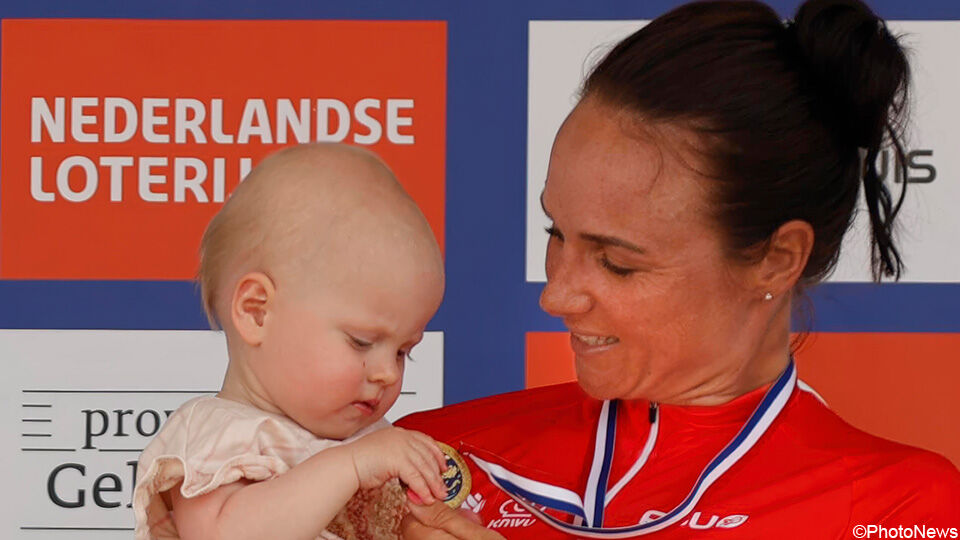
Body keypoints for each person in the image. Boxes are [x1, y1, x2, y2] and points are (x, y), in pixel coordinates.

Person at [399, 0, 960, 538]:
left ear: (776, 258)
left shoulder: (901, 507)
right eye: (556, 234)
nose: (557, 296)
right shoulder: (425, 460)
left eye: (617, 263)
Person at [132, 143, 450, 540]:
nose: (388, 372)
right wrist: (350, 466)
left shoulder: (371, 442)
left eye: (404, 351)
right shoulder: (219, 438)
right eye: (362, 342)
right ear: (257, 312)